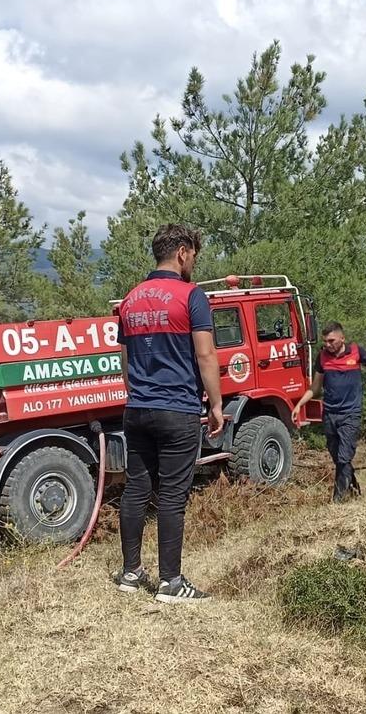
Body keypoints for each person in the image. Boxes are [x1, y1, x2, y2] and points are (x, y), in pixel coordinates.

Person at [113, 224, 224, 603]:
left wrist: (140, 394)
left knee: (136, 490)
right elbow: (206, 354)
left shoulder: (129, 300)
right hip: (176, 410)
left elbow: (125, 361)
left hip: (137, 409)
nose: (194, 260)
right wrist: (216, 404)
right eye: (193, 254)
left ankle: (130, 573)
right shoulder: (192, 296)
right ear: (181, 252)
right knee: (173, 497)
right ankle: (171, 583)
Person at [293, 322, 366, 503]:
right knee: (338, 457)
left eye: (331, 341)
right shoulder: (322, 357)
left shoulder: (356, 352)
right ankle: (355, 490)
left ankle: (337, 500)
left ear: (342, 338)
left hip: (350, 414)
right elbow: (315, 387)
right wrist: (299, 404)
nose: (327, 345)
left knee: (344, 456)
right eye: (325, 342)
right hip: (329, 415)